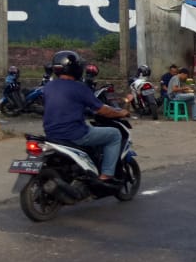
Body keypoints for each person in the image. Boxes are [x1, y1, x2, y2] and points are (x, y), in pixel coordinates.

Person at [42, 50, 130, 182]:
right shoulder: (80, 88)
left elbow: (65, 105)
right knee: (114, 134)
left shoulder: (49, 86)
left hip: (51, 134)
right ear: (75, 68)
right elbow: (102, 110)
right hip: (75, 134)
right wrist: (121, 112)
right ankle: (106, 175)